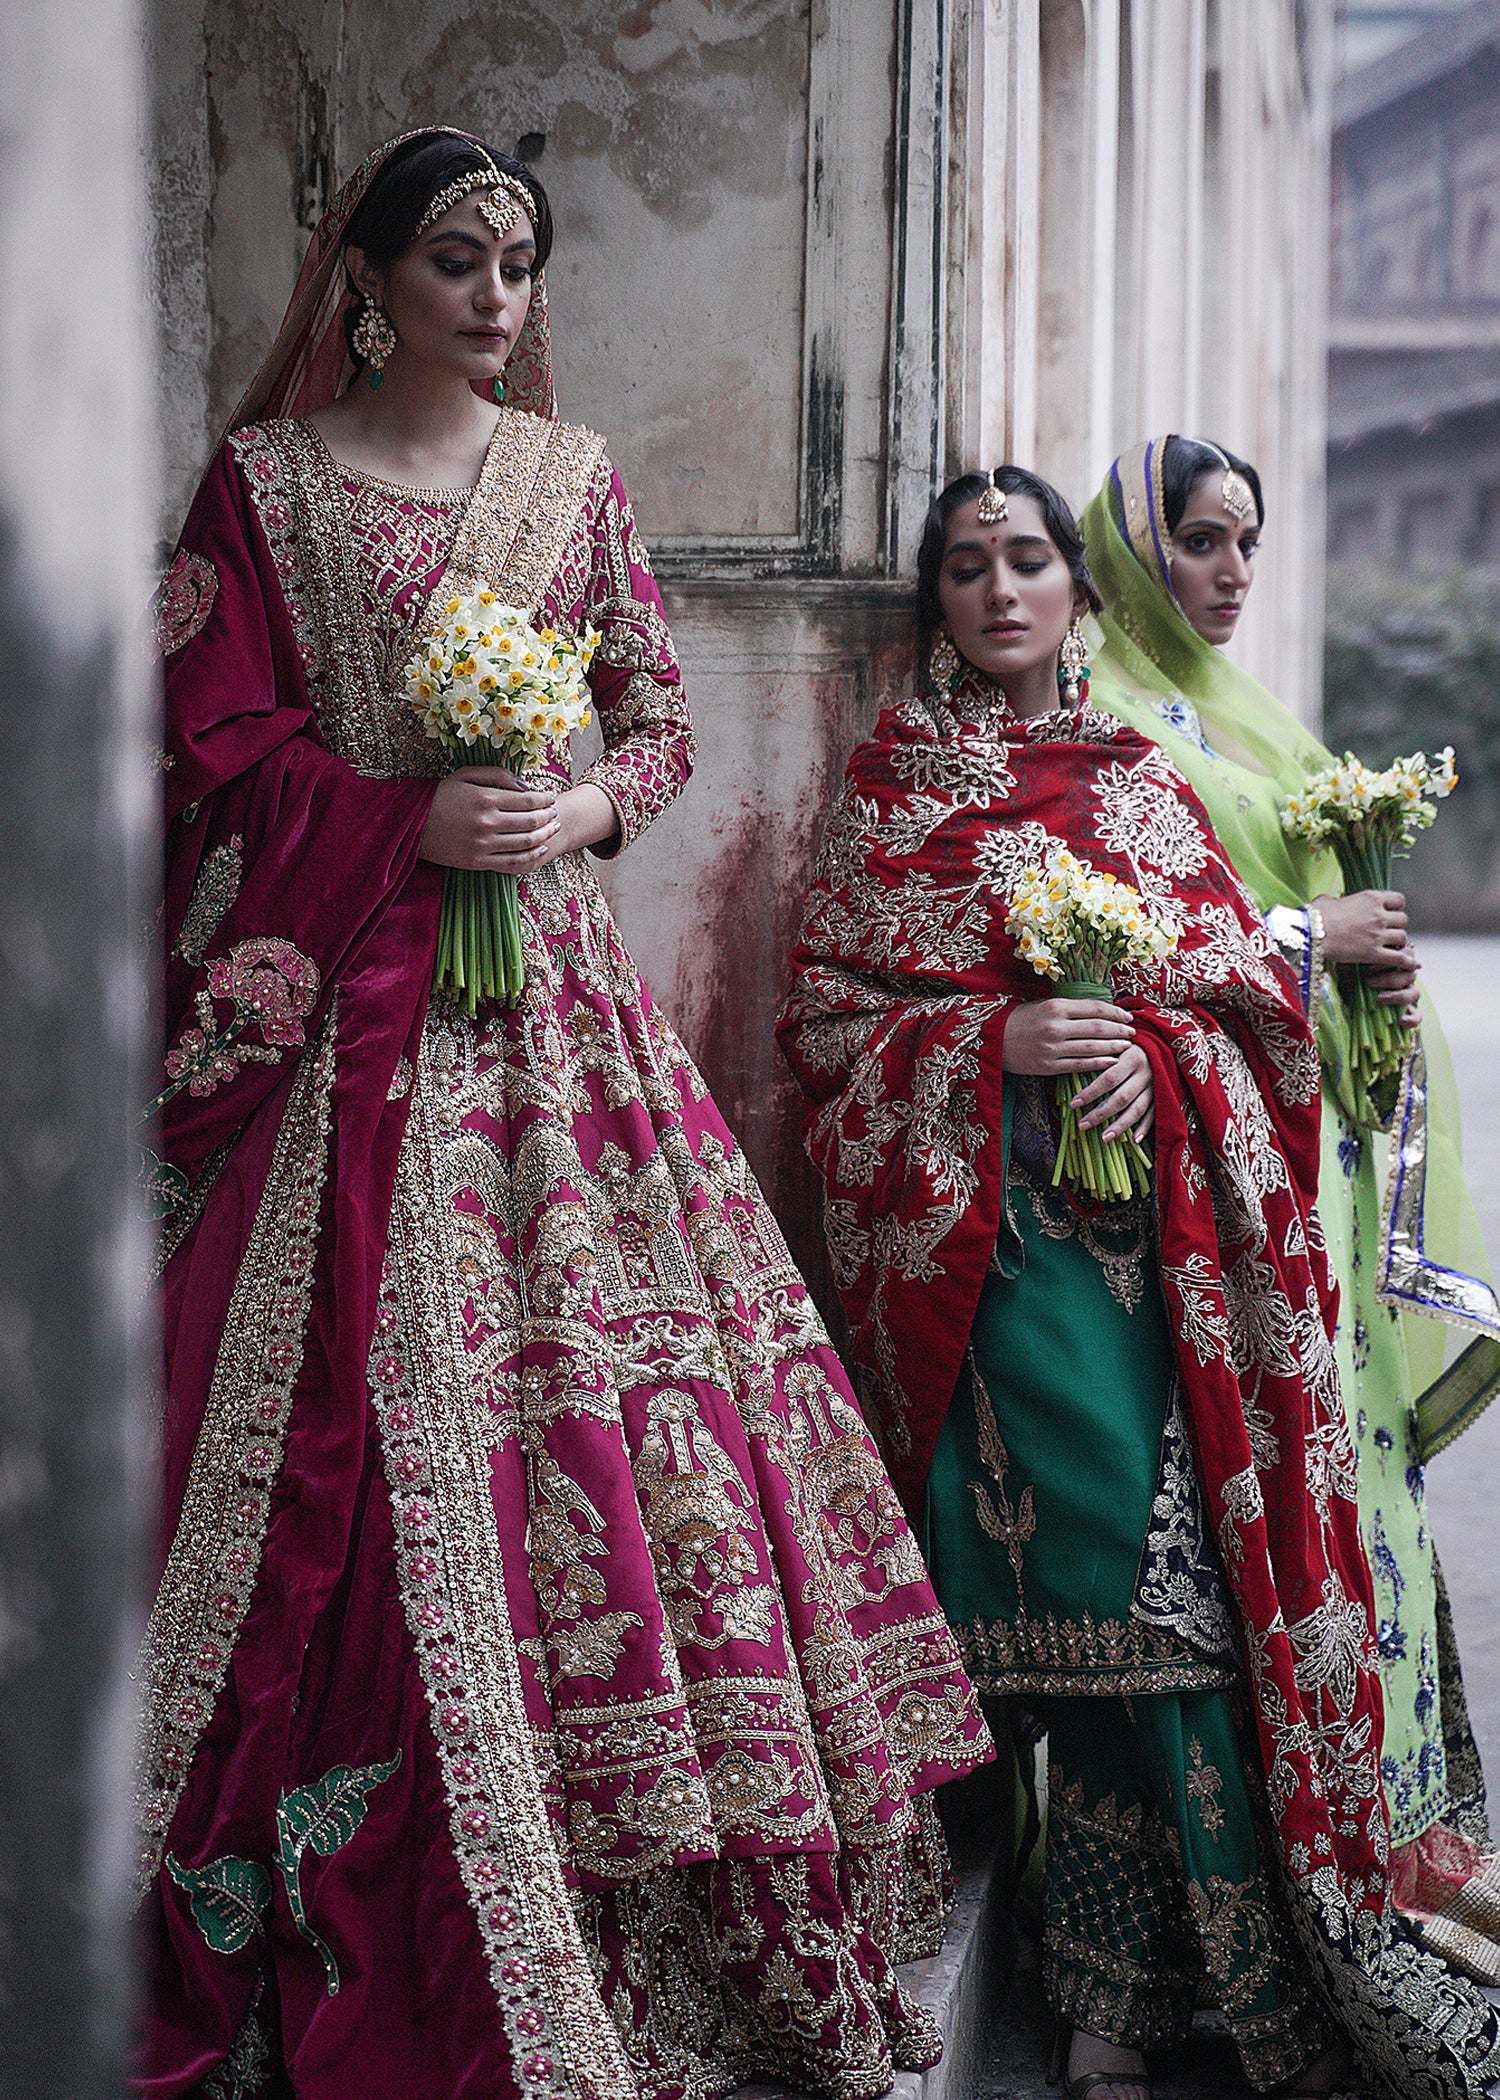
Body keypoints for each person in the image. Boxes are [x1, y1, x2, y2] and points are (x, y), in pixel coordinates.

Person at [137, 127, 990, 2100]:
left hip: (564, 1024)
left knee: (626, 1443)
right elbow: (215, 742)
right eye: (456, 257)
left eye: (519, 261)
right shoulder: (263, 488)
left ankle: (637, 1892)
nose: (498, 294)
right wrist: (401, 816)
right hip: (355, 1014)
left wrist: (578, 806)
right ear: (363, 280)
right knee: (343, 1423)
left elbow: (658, 716)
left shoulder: (574, 478)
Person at [778, 463, 1500, 2100]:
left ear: (1079, 593)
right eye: (965, 570)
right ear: (939, 607)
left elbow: (1239, 979)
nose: (1001, 590)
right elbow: (825, 1023)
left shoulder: (1138, 783)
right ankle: (1101, 1984)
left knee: (1170, 1628)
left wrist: (1159, 1054)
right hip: (997, 1262)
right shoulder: (898, 786)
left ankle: (1164, 1989)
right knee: (1074, 1614)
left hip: (1164, 1269)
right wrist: (996, 1043)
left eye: (1028, 560)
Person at [1079, 437, 1500, 1973]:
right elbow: (1119, 948)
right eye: (1199, 542)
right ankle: (1234, 1923)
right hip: (1198, 1196)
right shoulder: (1107, 727)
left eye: (1248, 542)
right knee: (1220, 1535)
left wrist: (1367, 966)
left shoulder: (1244, 718)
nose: (1234, 573)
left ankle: (1389, 1828)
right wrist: (1307, 931)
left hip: (1302, 1159)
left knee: (1346, 1491)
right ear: (1134, 559)